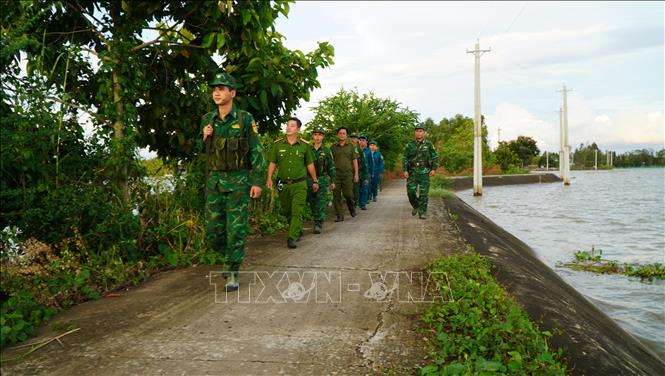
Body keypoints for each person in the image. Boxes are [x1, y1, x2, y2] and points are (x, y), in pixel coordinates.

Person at [201, 69, 266, 292]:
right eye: (214, 89)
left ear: (233, 93)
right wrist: (204, 137)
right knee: (213, 231)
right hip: (215, 183)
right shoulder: (208, 120)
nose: (217, 93)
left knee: (235, 229)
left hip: (239, 182)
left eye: (221, 89)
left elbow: (257, 152)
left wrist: (257, 181)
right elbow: (203, 152)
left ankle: (232, 270)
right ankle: (227, 257)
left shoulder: (244, 119)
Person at [266, 117, 318, 249]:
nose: (289, 128)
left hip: (299, 184)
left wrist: (315, 180)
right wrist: (269, 178)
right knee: (287, 210)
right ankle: (297, 228)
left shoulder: (305, 146)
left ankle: (292, 237)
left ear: (299, 129)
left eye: (292, 126)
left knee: (297, 210)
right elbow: (272, 162)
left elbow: (310, 165)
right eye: (288, 125)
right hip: (283, 184)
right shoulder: (278, 145)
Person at [402, 124, 438, 219]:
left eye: (420, 131)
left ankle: (422, 212)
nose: (418, 133)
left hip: (425, 172)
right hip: (412, 172)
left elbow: (434, 157)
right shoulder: (409, 145)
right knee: (411, 192)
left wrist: (433, 169)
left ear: (424, 133)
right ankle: (416, 205)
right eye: (417, 131)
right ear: (415, 133)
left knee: (424, 194)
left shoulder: (429, 144)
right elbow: (405, 157)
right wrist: (405, 170)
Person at [307, 127, 336, 234]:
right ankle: (315, 218)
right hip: (309, 179)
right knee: (312, 202)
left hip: (322, 179)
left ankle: (318, 223)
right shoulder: (308, 149)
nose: (317, 137)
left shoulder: (327, 151)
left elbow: (331, 167)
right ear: (312, 136)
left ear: (323, 136)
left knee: (321, 201)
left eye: (320, 134)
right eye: (315, 134)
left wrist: (333, 180)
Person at [331, 127, 359, 222]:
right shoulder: (333, 147)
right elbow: (331, 162)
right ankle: (340, 215)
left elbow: (354, 160)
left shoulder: (351, 146)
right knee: (336, 196)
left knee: (348, 194)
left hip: (348, 174)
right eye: (340, 133)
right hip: (336, 175)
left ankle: (351, 207)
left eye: (344, 133)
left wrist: (356, 174)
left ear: (346, 135)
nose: (342, 135)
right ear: (337, 135)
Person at [358, 134, 373, 210]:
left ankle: (362, 204)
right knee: (357, 189)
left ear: (366, 142)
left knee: (364, 188)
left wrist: (372, 173)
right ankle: (358, 202)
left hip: (365, 173)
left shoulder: (368, 151)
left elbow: (371, 162)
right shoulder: (356, 150)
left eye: (363, 140)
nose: (361, 142)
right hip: (357, 172)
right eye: (360, 140)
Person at [350, 133, 363, 208]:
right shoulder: (347, 147)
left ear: (357, 140)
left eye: (355, 138)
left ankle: (355, 201)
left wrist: (361, 173)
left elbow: (362, 162)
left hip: (357, 171)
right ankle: (351, 202)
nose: (353, 139)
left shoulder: (359, 149)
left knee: (356, 188)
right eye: (352, 137)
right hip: (348, 171)